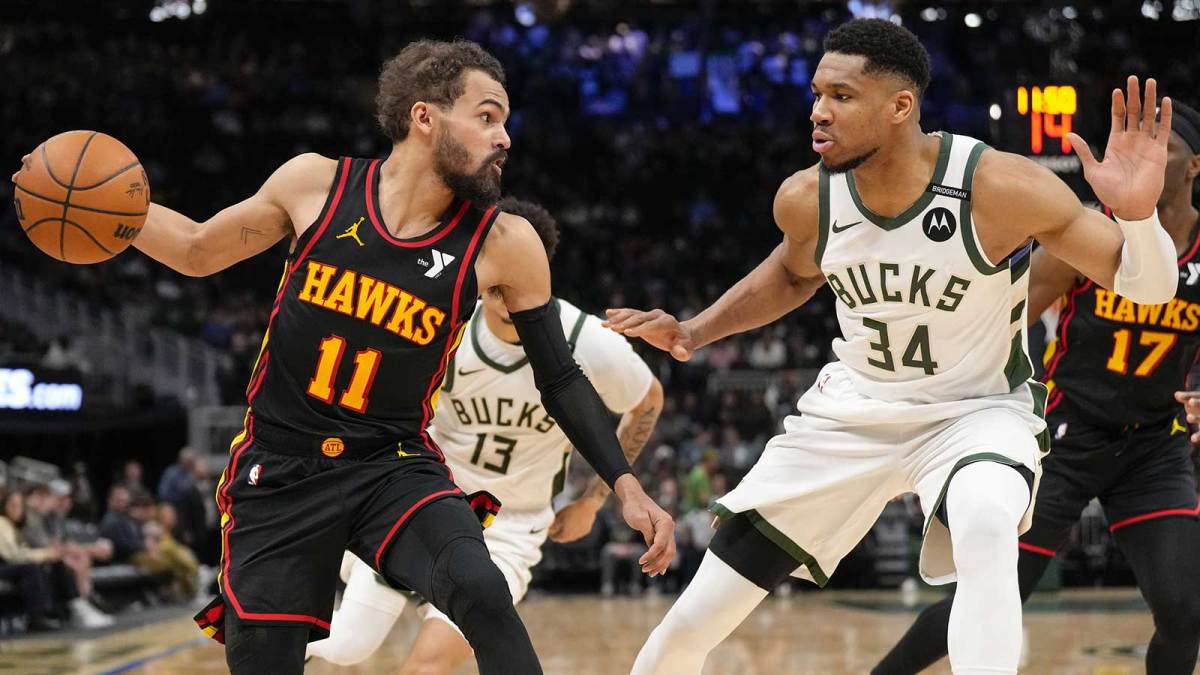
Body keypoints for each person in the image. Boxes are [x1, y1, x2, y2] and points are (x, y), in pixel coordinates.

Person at [15, 39, 673, 674]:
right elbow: (194, 249)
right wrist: (101, 208)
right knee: (264, 659)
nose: (505, 137)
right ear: (425, 117)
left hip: (391, 462)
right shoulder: (314, 185)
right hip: (280, 467)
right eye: (487, 116)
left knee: (481, 590)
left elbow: (559, 377)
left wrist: (624, 483)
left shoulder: (506, 242)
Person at [606, 18, 1178, 675]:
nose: (819, 111)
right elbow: (792, 273)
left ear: (899, 106)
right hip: (852, 414)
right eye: (817, 94)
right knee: (693, 620)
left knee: (988, 520)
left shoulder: (997, 187)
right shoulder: (807, 198)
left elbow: (1148, 290)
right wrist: (696, 329)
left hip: (975, 412)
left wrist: (1136, 215)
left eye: (841, 96)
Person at [874, 99, 1200, 675]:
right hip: (1065, 435)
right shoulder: (1095, 236)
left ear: (1192, 166)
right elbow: (1006, 317)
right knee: (985, 596)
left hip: (1154, 445)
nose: (1148, 156)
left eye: (1164, 148)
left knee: (1185, 612)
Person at [307, 197, 664, 671]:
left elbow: (648, 400)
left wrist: (593, 499)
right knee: (347, 648)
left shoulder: (587, 339)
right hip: (423, 505)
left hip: (509, 526)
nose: (501, 285)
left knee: (426, 666)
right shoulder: (445, 322)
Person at [0, 487, 111, 629]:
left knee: (54, 563)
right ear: (4, 506)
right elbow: (13, 555)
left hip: (13, 564)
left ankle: (74, 606)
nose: (18, 509)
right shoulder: (2, 524)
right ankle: (38, 617)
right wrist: (46, 554)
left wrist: (48, 554)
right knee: (32, 567)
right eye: (13, 505)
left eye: (20, 505)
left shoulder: (15, 525)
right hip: (4, 564)